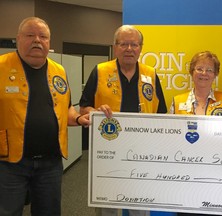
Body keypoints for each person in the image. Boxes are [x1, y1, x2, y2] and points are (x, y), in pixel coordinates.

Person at [0, 17, 90, 216]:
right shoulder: (1, 67)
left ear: (49, 42)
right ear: (18, 39)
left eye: (43, 36)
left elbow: (65, 109)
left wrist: (77, 119)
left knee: (49, 212)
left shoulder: (59, 70)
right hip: (9, 163)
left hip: (51, 163)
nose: (37, 40)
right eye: (30, 35)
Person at [79, 25, 167, 216]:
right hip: (108, 150)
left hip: (142, 152)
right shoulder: (100, 71)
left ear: (141, 48)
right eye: (124, 44)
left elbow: (161, 112)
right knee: (107, 204)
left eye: (134, 44)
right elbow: (84, 106)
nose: (129, 49)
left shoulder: (150, 74)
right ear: (115, 46)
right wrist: (95, 111)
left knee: (139, 204)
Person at [170, 51, 222, 116]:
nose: (204, 73)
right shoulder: (177, 102)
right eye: (199, 69)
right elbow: (170, 125)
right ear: (192, 72)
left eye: (209, 70)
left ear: (215, 74)